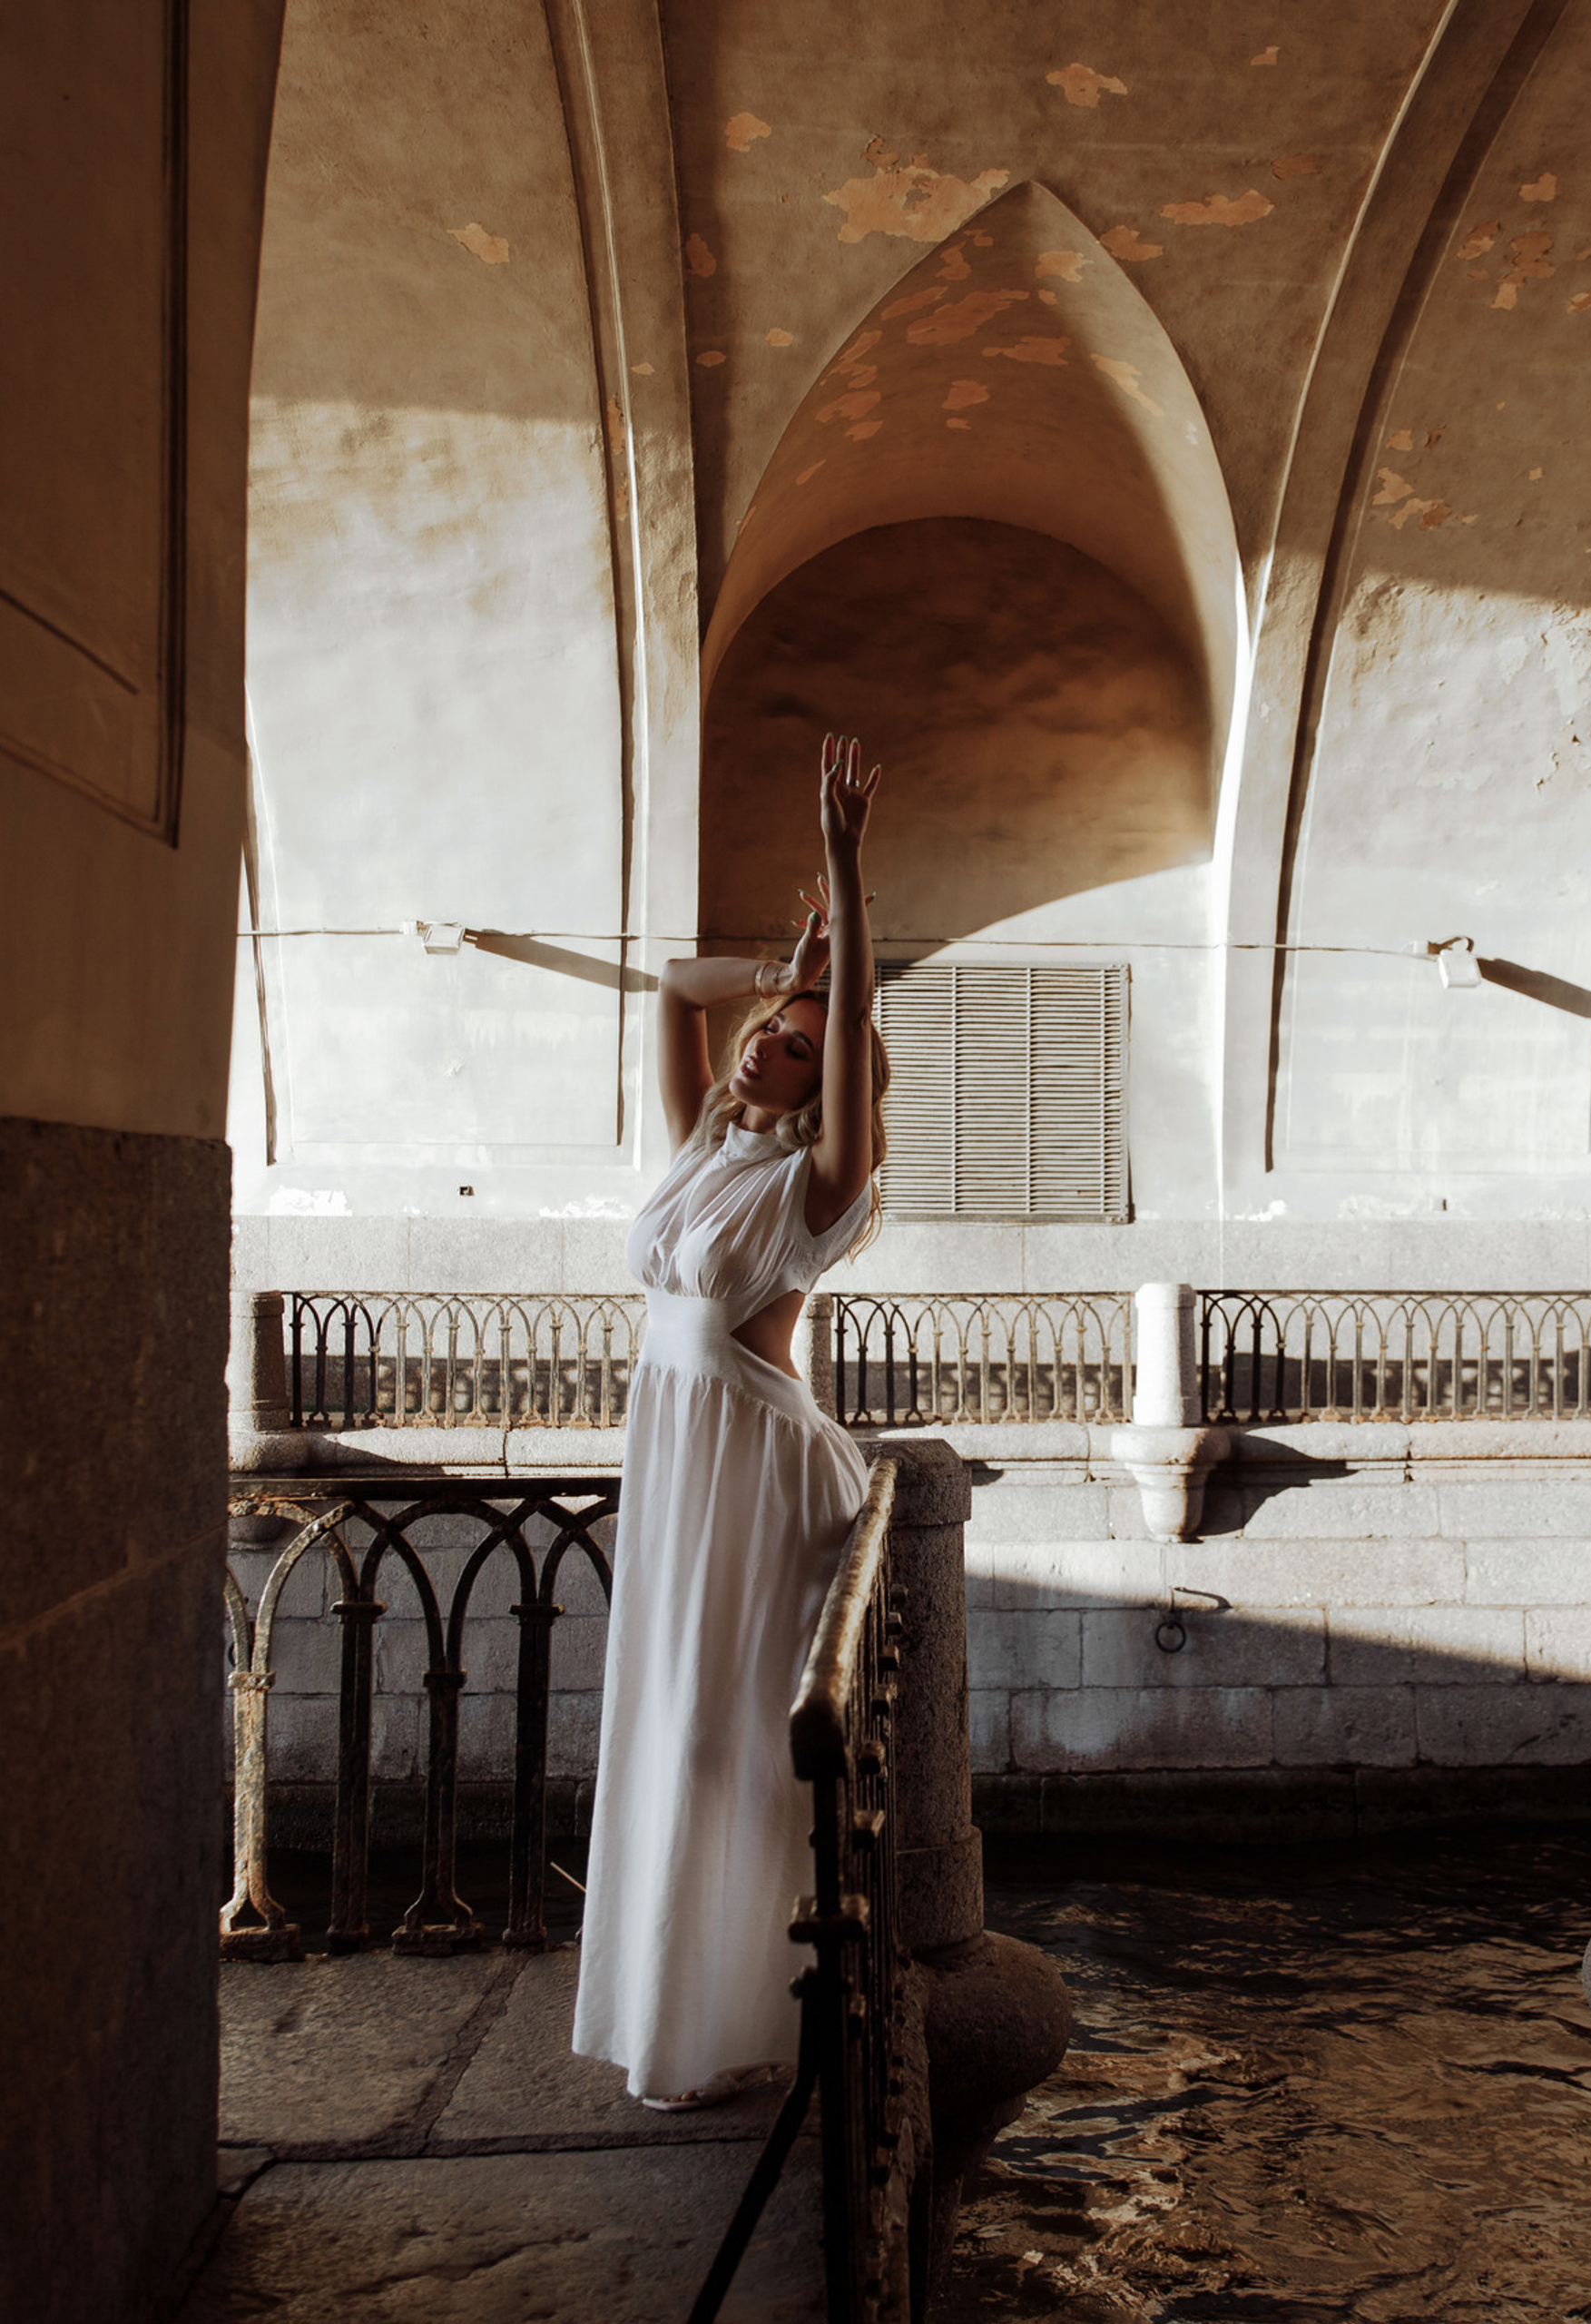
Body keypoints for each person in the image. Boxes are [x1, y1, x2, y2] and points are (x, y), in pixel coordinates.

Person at [572, 733, 888, 2108]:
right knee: (669, 1720)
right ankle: (676, 2012)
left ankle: (740, 2016)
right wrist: (787, 969)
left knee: (726, 1737)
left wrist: (847, 885)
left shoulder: (822, 1185)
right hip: (681, 1457)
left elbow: (851, 1033)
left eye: (799, 1045)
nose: (767, 1037)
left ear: (832, 1087)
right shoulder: (703, 1148)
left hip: (755, 1470)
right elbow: (673, 986)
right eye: (770, 1031)